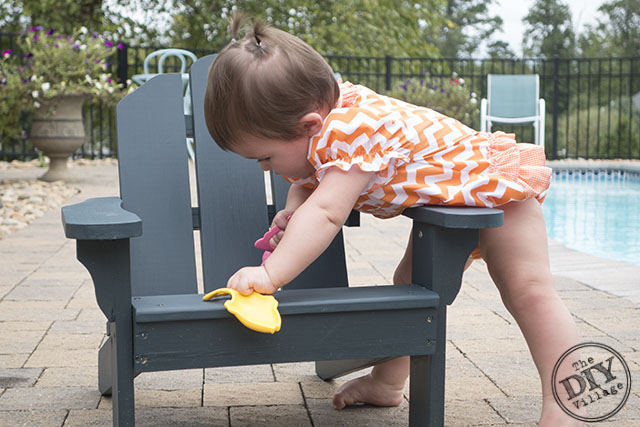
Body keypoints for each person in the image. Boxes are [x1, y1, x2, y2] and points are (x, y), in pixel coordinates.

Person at [204, 15, 582, 427]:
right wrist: (295, 205)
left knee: (529, 293)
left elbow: (329, 212)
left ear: (310, 124)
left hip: (500, 196)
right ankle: (387, 384)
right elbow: (312, 184)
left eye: (264, 157)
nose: (263, 169)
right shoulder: (324, 123)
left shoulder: (351, 130)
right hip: (451, 209)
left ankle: (570, 404)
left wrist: (270, 274)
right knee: (412, 290)